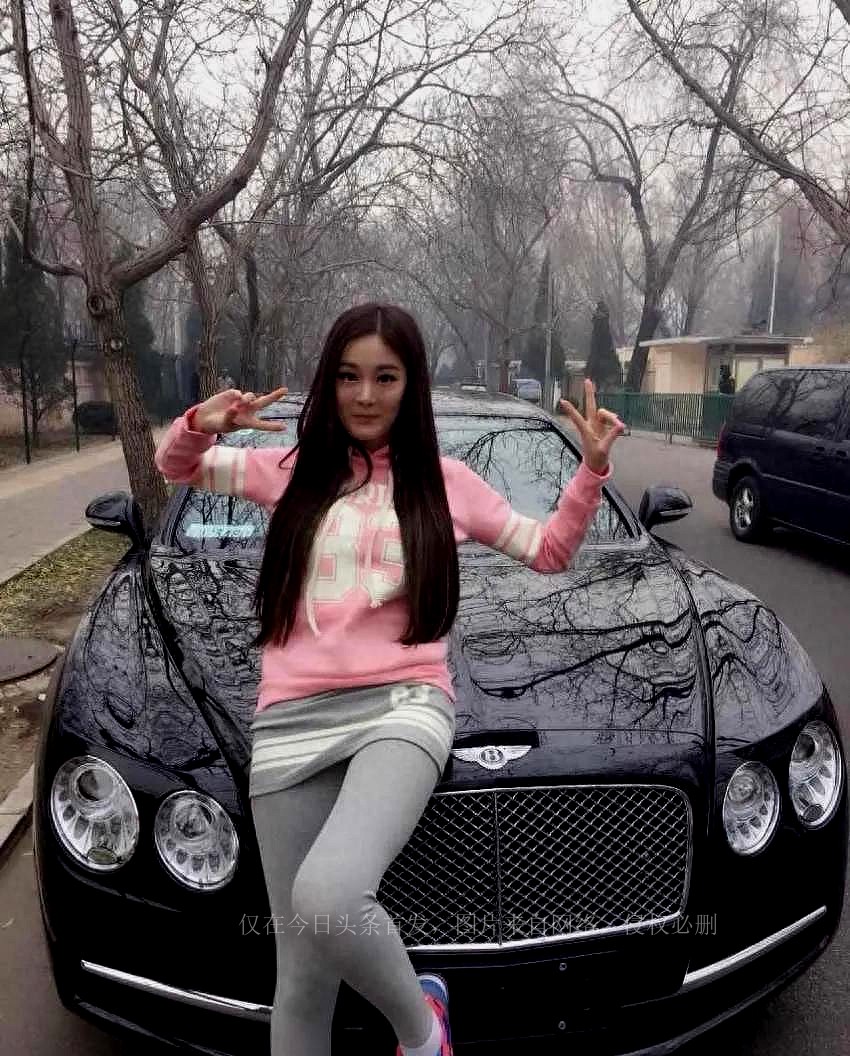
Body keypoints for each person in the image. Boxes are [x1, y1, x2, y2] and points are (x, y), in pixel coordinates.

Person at [153, 302, 625, 1056]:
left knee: (329, 893)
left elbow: (548, 551)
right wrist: (198, 424)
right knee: (300, 978)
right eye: (349, 377)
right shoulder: (289, 471)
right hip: (290, 716)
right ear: (330, 383)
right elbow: (175, 468)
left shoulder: (447, 484)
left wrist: (591, 471)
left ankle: (423, 1031)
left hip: (402, 704)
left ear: (411, 385)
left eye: (386, 377)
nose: (366, 395)